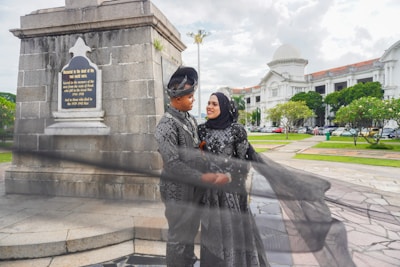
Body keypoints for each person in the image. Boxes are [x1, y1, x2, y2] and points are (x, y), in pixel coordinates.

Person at [155, 67, 230, 267]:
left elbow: (197, 149)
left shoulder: (189, 119)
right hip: (177, 190)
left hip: (193, 189)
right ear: (177, 98)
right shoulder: (166, 126)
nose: (193, 100)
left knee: (189, 232)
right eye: (190, 96)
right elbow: (172, 164)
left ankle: (187, 262)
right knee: (179, 236)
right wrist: (204, 178)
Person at [197, 92, 269, 267]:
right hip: (209, 192)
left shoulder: (236, 130)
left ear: (223, 107)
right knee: (211, 234)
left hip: (231, 193)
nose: (209, 106)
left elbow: (244, 163)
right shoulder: (201, 129)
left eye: (214, 104)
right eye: (208, 103)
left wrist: (228, 176)